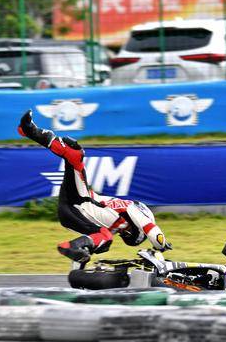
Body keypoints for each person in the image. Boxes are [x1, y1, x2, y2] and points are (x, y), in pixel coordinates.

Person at [17, 110, 171, 264]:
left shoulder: (115, 227)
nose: (126, 232)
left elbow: (97, 238)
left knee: (104, 240)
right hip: (80, 200)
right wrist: (162, 247)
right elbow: (153, 232)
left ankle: (74, 249)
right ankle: (29, 130)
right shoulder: (131, 208)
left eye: (127, 234)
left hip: (72, 214)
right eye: (130, 232)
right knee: (74, 153)